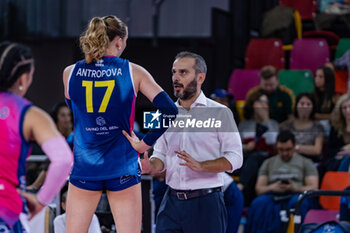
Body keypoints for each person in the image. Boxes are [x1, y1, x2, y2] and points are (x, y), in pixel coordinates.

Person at [62, 15, 178, 233]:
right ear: (119, 41)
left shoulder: (70, 73)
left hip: (86, 166)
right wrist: (144, 144)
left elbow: (76, 109)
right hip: (122, 165)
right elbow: (170, 110)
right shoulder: (133, 71)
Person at [138, 51, 243, 233]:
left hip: (206, 202)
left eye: (183, 73)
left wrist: (202, 165)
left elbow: (236, 158)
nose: (176, 78)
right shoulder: (164, 114)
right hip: (170, 200)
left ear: (200, 77)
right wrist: (150, 166)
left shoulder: (220, 112)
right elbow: (160, 156)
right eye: (174, 72)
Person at [0, 41, 73, 232]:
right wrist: (41, 201)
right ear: (24, 79)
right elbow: (64, 160)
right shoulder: (29, 114)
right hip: (6, 208)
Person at [245, 130, 318, 233]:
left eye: (288, 149)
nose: (284, 153)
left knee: (299, 203)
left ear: (294, 146)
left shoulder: (306, 162)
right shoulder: (268, 163)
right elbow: (259, 189)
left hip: (296, 194)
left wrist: (295, 188)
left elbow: (314, 188)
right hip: (273, 194)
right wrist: (272, 187)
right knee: (257, 203)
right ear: (276, 147)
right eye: (281, 150)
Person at [237, 90, 279, 205]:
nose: (264, 105)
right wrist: (246, 147)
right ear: (252, 104)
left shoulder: (273, 124)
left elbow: (273, 142)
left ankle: (240, 187)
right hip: (247, 159)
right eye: (260, 102)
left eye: (266, 102)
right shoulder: (244, 125)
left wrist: (266, 120)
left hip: (267, 158)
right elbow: (236, 146)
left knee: (255, 159)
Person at [281, 93, 325, 162]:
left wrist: (295, 147)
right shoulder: (287, 126)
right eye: (302, 103)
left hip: (311, 162)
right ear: (296, 106)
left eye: (308, 104)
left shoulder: (318, 127)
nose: (305, 107)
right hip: (289, 160)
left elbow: (317, 150)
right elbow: (281, 146)